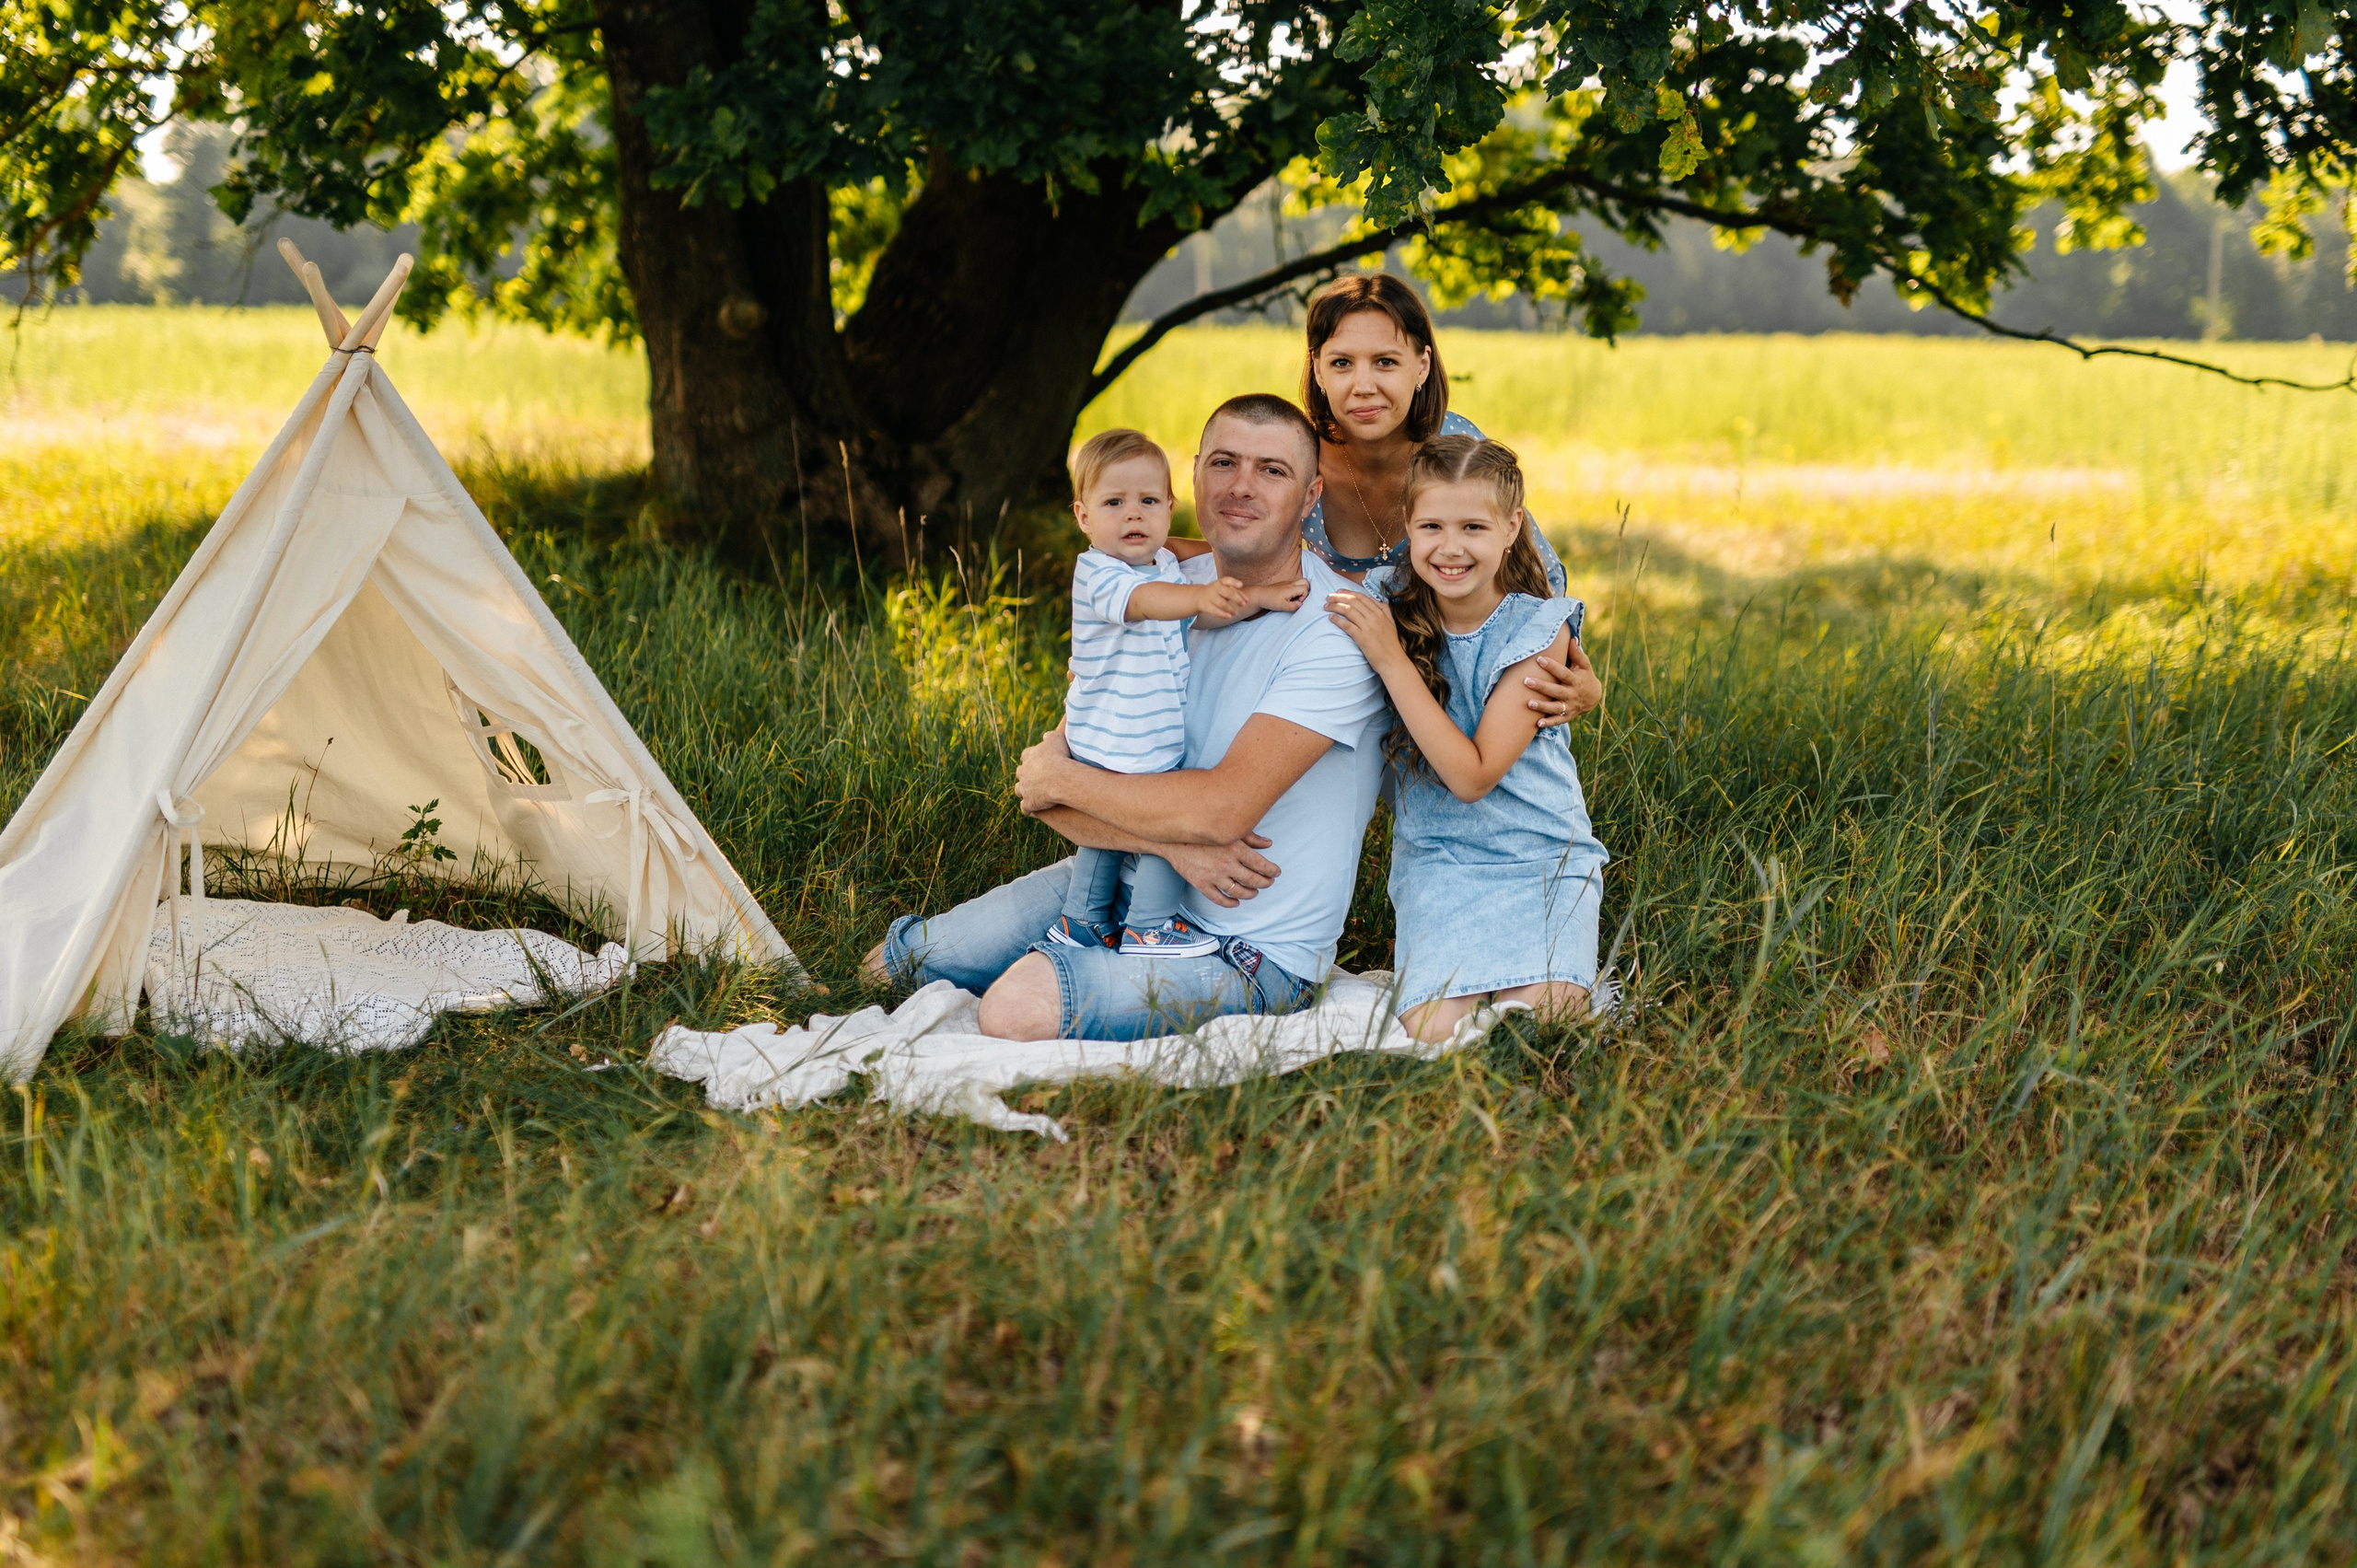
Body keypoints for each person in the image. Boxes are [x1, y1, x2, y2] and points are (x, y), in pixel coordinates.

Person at [865, 394, 1387, 1040]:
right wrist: (1164, 841)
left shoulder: (1335, 631)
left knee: (1014, 1007)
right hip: (1120, 875)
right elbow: (1049, 787)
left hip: (1246, 949)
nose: (1241, 486)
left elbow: (1211, 810)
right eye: (1224, 462)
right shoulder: (1156, 587)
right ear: (1191, 477)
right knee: (903, 963)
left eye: (1272, 471)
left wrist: (1066, 784)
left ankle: (1080, 965)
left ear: (1311, 496)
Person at [1324, 435, 1609, 1043]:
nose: (1450, 548)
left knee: (1543, 1028)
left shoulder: (1536, 627)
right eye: (1431, 525)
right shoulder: (1385, 604)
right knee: (1437, 1034)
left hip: (1541, 858)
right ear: (1407, 525)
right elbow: (1285, 577)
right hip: (1440, 863)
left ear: (1512, 527)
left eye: (1473, 527)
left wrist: (1390, 661)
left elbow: (1473, 775)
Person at [1049, 427, 1308, 958]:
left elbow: (1195, 606)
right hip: (1118, 736)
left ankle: (1081, 923)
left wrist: (1258, 594)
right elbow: (1148, 604)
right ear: (1083, 517)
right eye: (1114, 503)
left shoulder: (1163, 563)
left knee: (1106, 837)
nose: (1133, 516)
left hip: (1133, 733)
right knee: (1167, 826)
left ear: (1170, 508)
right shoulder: (1100, 574)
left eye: (1148, 502)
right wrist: (1200, 595)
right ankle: (1151, 925)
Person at [1297, 273, 1599, 726]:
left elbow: (1531, 570)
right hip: (1339, 661)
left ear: (1421, 365)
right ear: (1318, 368)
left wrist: (1579, 674)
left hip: (1450, 671)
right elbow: (1242, 549)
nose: (1362, 385)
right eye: (1342, 363)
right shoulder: (1296, 455)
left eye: (1385, 362)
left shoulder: (1452, 446)